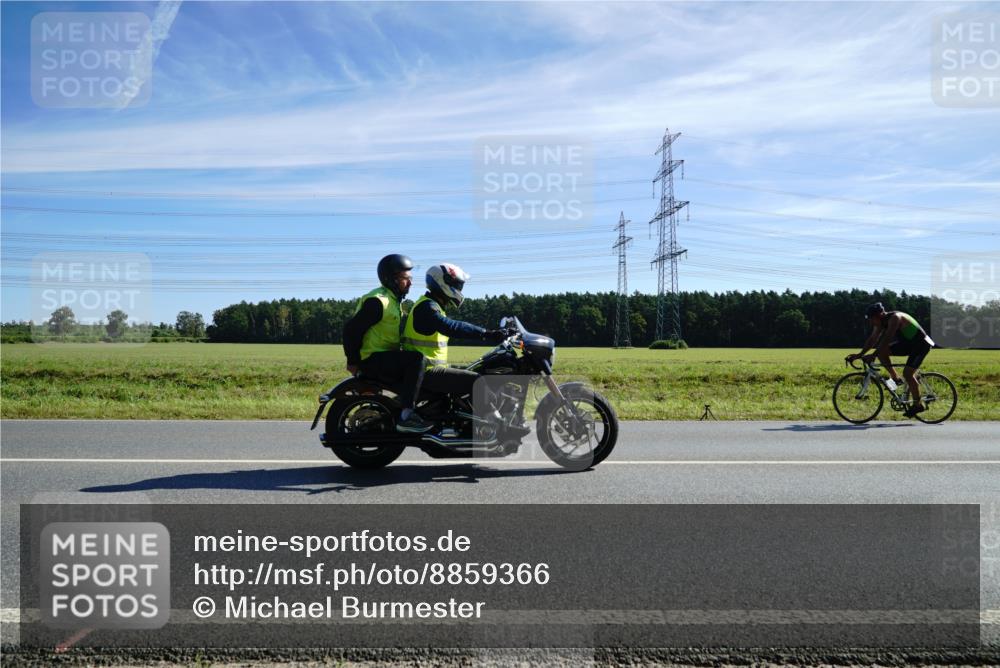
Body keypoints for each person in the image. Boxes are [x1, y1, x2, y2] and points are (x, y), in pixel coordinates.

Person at [342, 254, 432, 433]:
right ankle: (407, 416)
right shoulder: (378, 301)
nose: (410, 283)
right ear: (390, 279)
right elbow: (351, 330)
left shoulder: (392, 300)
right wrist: (353, 362)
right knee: (416, 359)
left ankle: (404, 406)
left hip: (382, 357)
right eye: (405, 279)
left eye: (410, 278)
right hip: (372, 359)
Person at [401, 263, 508, 400]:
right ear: (442, 282)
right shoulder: (426, 307)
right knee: (478, 382)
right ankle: (493, 419)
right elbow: (451, 327)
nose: (459, 289)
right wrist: (486, 334)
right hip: (426, 372)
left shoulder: (432, 305)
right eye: (457, 285)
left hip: (430, 369)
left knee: (475, 370)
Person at [846, 302, 935, 417]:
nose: (871, 322)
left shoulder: (895, 318)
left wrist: (873, 355)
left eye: (872, 319)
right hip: (908, 344)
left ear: (880, 315)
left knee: (908, 374)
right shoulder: (880, 322)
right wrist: (860, 354)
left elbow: (887, 338)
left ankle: (918, 405)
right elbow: (872, 339)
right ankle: (896, 378)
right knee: (882, 352)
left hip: (921, 344)